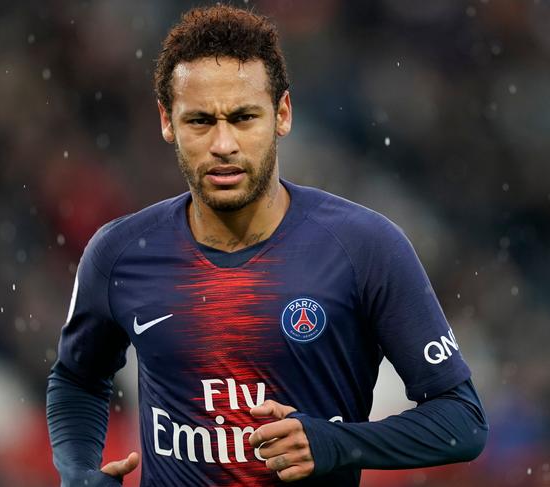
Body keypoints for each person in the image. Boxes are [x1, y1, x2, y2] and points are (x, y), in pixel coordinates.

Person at [46, 5, 488, 486]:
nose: (223, 144)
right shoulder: (119, 253)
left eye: (243, 117)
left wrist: (337, 443)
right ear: (167, 121)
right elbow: (76, 380)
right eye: (199, 121)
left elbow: (461, 420)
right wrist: (78, 473)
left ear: (282, 114)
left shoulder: (365, 247)